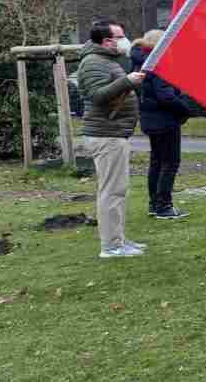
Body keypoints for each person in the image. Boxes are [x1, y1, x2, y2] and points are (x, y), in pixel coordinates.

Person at [77, 20, 147, 258]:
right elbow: (98, 96)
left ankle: (118, 240)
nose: (124, 40)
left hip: (114, 133)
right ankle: (111, 247)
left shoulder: (105, 60)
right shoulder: (93, 62)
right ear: (106, 41)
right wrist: (127, 81)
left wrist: (127, 81)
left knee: (118, 190)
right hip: (106, 135)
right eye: (120, 36)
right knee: (112, 191)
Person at [130, 30, 191, 219]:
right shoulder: (158, 63)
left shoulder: (141, 61)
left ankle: (154, 204)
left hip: (151, 119)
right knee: (170, 163)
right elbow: (165, 95)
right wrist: (185, 108)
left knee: (157, 162)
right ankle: (164, 206)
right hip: (165, 120)